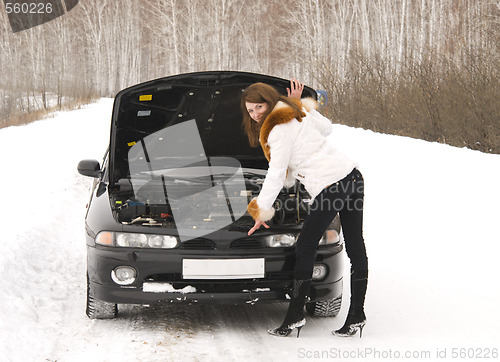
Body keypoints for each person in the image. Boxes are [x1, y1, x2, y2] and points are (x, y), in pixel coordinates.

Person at [241, 79, 368, 338]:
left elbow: (275, 174)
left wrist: (260, 210)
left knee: (305, 246)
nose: (255, 114)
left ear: (268, 101)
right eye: (250, 110)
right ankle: (357, 315)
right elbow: (327, 128)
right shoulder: (296, 112)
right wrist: (303, 106)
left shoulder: (276, 129)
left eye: (258, 107)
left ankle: (295, 317)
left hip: (332, 186)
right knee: (356, 245)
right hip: (353, 178)